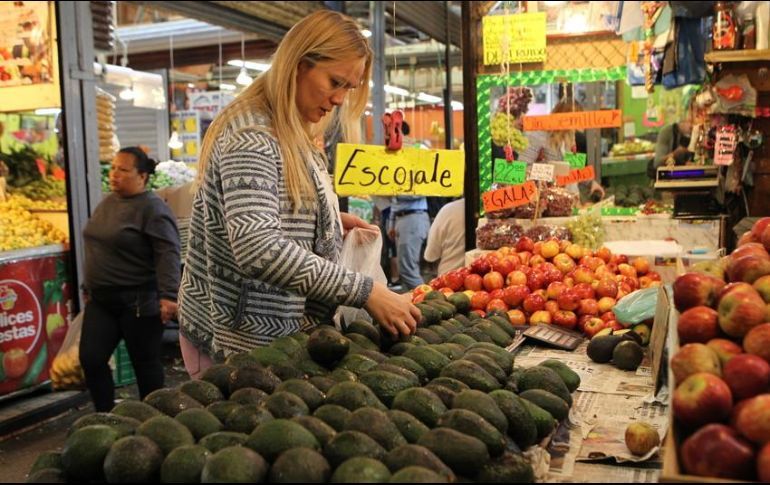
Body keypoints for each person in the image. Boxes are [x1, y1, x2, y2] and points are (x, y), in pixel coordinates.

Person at [177, 10, 419, 372]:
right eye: (335, 81)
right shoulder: (253, 136)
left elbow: (266, 206)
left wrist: (327, 222)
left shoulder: (291, 125)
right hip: (235, 339)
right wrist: (365, 291)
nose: (339, 99)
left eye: (348, 88)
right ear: (299, 64)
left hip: (272, 334)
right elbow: (257, 246)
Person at [79, 146, 181, 412]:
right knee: (91, 358)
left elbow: (168, 251)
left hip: (138, 302)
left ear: (143, 176)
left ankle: (153, 420)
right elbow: (97, 245)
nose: (114, 174)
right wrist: (88, 285)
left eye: (123, 170)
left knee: (145, 365)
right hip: (101, 300)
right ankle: (105, 416)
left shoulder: (152, 208)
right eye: (113, 168)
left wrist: (169, 296)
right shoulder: (108, 203)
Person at [519, 97, 605, 198]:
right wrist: (551, 172)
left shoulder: (570, 137)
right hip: (544, 200)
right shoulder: (537, 135)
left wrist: (591, 183)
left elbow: (573, 168)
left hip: (569, 199)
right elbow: (522, 168)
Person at [387, 195, 430, 290]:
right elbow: (394, 203)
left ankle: (425, 297)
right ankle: (417, 298)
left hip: (413, 217)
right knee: (405, 266)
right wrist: (392, 223)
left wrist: (395, 192)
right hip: (401, 218)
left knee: (407, 268)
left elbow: (421, 192)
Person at [651, 100, 695, 179]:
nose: (693, 126)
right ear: (682, 121)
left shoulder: (693, 134)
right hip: (667, 176)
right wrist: (676, 153)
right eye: (690, 122)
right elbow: (657, 163)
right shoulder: (666, 132)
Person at [424, 198, 466, 276]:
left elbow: (431, 255)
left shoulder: (448, 210)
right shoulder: (493, 213)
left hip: (449, 279)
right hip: (487, 280)